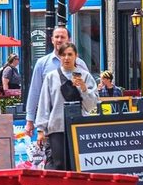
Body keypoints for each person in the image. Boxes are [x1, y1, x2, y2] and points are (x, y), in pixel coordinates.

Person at [33, 42, 99, 171]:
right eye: (63, 55)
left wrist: (84, 89)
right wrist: (41, 130)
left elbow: (91, 106)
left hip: (80, 127)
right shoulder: (51, 77)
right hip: (57, 127)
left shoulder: (85, 76)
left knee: (78, 166)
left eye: (70, 54)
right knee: (59, 165)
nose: (66, 58)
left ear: (76, 56)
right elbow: (44, 103)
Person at [25, 25, 85, 124]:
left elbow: (87, 90)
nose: (59, 40)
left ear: (69, 40)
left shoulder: (79, 63)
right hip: (51, 120)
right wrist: (30, 120)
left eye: (62, 37)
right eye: (56, 37)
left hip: (76, 118)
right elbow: (35, 91)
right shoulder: (42, 63)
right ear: (52, 40)